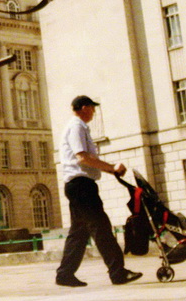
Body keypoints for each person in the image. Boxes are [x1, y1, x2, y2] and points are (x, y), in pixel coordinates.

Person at [54, 95, 142, 288]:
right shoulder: (76, 126)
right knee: (101, 227)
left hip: (78, 185)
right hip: (81, 186)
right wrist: (111, 168)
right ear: (84, 108)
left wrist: (110, 170)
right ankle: (118, 272)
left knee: (79, 232)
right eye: (93, 108)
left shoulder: (78, 127)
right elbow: (83, 158)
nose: (94, 112)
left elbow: (87, 160)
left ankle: (65, 274)